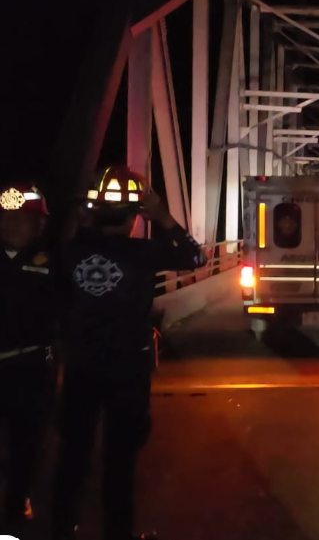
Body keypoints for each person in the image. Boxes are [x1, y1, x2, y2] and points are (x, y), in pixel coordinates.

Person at [51, 166, 207, 540]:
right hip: (128, 369)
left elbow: (55, 291)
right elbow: (197, 258)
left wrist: (81, 221)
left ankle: (61, 527)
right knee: (119, 462)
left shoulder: (71, 251)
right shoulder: (145, 253)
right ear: (136, 218)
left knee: (73, 454)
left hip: (82, 366)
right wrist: (165, 217)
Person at [0, 183, 57, 526]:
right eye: (5, 217)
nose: (11, 225)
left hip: (33, 369)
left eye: (21, 219)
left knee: (28, 444)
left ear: (40, 225)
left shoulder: (55, 261)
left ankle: (16, 506)